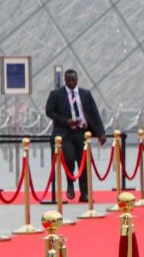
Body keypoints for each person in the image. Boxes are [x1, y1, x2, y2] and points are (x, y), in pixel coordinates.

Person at [43, 69, 105, 202]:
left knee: (84, 162)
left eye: (73, 80)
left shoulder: (85, 94)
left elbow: (94, 113)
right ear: (65, 80)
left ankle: (85, 193)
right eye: (68, 80)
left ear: (77, 80)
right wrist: (65, 121)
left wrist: (101, 133)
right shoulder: (56, 94)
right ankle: (70, 184)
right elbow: (49, 111)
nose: (71, 82)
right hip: (65, 133)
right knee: (69, 158)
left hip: (81, 132)